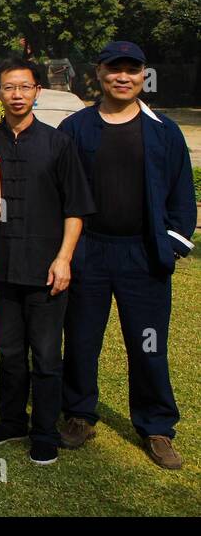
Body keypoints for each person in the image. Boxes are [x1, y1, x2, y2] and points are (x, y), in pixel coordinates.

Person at [57, 41, 195, 470]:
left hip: (144, 255)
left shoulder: (164, 131)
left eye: (131, 70)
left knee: (148, 344)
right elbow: (59, 190)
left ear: (142, 75)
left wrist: (170, 243)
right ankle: (79, 414)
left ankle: (156, 426)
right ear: (98, 74)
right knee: (81, 340)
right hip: (89, 253)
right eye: (114, 69)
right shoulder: (75, 128)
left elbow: (181, 194)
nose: (123, 77)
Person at [0, 59, 93, 465]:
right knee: (9, 352)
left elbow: (75, 208)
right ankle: (12, 420)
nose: (17, 94)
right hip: (1, 266)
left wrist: (64, 258)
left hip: (46, 267)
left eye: (25, 87)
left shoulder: (58, 143)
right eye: (9, 87)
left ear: (37, 91)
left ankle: (44, 430)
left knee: (45, 354)